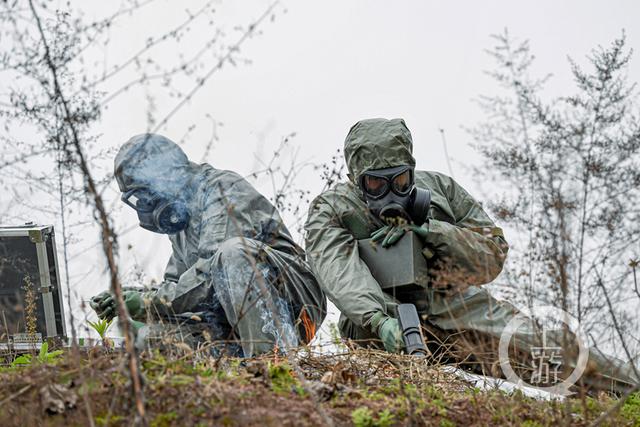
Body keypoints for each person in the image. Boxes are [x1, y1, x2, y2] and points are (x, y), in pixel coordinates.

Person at [304, 118, 639, 393]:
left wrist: (431, 230)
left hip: (459, 308)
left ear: (412, 169)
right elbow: (338, 271)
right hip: (379, 328)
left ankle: (630, 392)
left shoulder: (440, 191)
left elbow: (491, 255)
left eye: (401, 180)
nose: (389, 191)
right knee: (381, 392)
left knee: (551, 355)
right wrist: (379, 319)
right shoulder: (332, 209)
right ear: (354, 178)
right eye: (375, 185)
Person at [90, 134, 326, 357]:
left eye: (144, 194)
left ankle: (272, 368)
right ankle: (228, 385)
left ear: (165, 175)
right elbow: (177, 286)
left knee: (233, 253)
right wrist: (127, 297)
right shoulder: (180, 218)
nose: (144, 205)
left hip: (296, 306)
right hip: (230, 321)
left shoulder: (221, 189)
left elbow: (210, 275)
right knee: (153, 339)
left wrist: (145, 302)